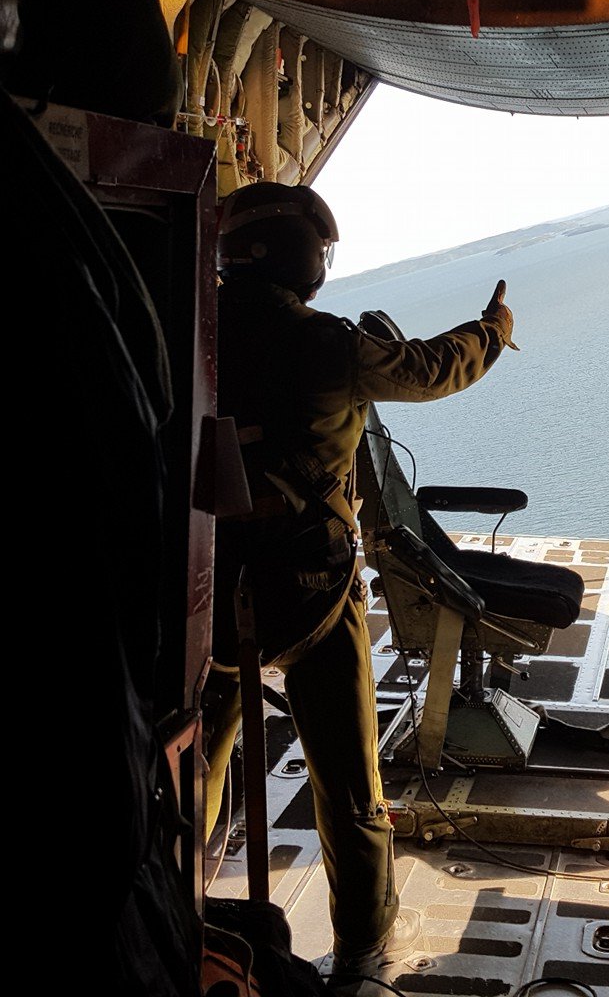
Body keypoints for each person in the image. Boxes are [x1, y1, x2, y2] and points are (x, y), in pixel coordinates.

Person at [202, 181, 517, 995]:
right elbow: (432, 368)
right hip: (312, 587)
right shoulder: (330, 344)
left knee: (197, 759)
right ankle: (361, 953)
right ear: (305, 260)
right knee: (348, 781)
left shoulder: (184, 327)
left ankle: (177, 905)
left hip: (213, 585)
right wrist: (492, 329)